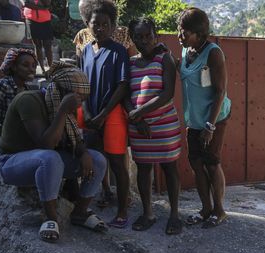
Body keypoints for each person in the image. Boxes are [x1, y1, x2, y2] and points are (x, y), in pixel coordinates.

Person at [0, 62, 108, 242]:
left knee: (98, 160)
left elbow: (72, 137)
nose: (79, 104)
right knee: (50, 157)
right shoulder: (29, 100)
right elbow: (46, 144)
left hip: (45, 161)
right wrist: (63, 109)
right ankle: (51, 218)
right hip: (12, 163)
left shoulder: (60, 106)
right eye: (77, 98)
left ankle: (80, 212)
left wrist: (82, 153)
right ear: (63, 92)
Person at [124, 17, 182, 234]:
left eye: (148, 35)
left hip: (164, 124)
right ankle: (148, 213)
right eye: (138, 37)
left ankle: (175, 215)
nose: (144, 40)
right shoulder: (129, 64)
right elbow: (125, 94)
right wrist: (136, 118)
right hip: (138, 126)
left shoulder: (164, 59)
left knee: (169, 167)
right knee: (143, 168)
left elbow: (167, 93)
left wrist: (139, 113)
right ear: (132, 39)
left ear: (155, 35)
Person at [77, 0, 130, 228]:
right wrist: (88, 112)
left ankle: (122, 209)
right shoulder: (86, 51)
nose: (99, 28)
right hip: (89, 112)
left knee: (117, 163)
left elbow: (122, 85)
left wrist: (103, 114)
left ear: (112, 26)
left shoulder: (119, 51)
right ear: (87, 25)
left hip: (112, 113)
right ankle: (94, 199)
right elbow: (81, 84)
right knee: (92, 159)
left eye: (104, 24)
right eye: (94, 23)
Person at [178, 7, 231, 229]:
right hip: (194, 120)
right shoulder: (184, 51)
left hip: (214, 119)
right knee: (196, 164)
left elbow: (220, 91)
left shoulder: (213, 53)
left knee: (211, 163)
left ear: (199, 34)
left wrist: (210, 125)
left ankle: (219, 210)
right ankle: (205, 208)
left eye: (185, 32)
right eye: (179, 30)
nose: (180, 36)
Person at [0, 49, 37, 142]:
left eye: (33, 66)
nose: (31, 69)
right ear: (13, 67)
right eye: (25, 65)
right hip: (4, 144)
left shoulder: (27, 89)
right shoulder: (2, 85)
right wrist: (6, 132)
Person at [23, 0, 53, 74]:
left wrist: (34, 5)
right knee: (37, 45)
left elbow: (47, 5)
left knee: (48, 45)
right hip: (31, 20)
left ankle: (51, 68)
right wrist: (41, 7)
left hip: (45, 20)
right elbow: (26, 4)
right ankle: (42, 69)